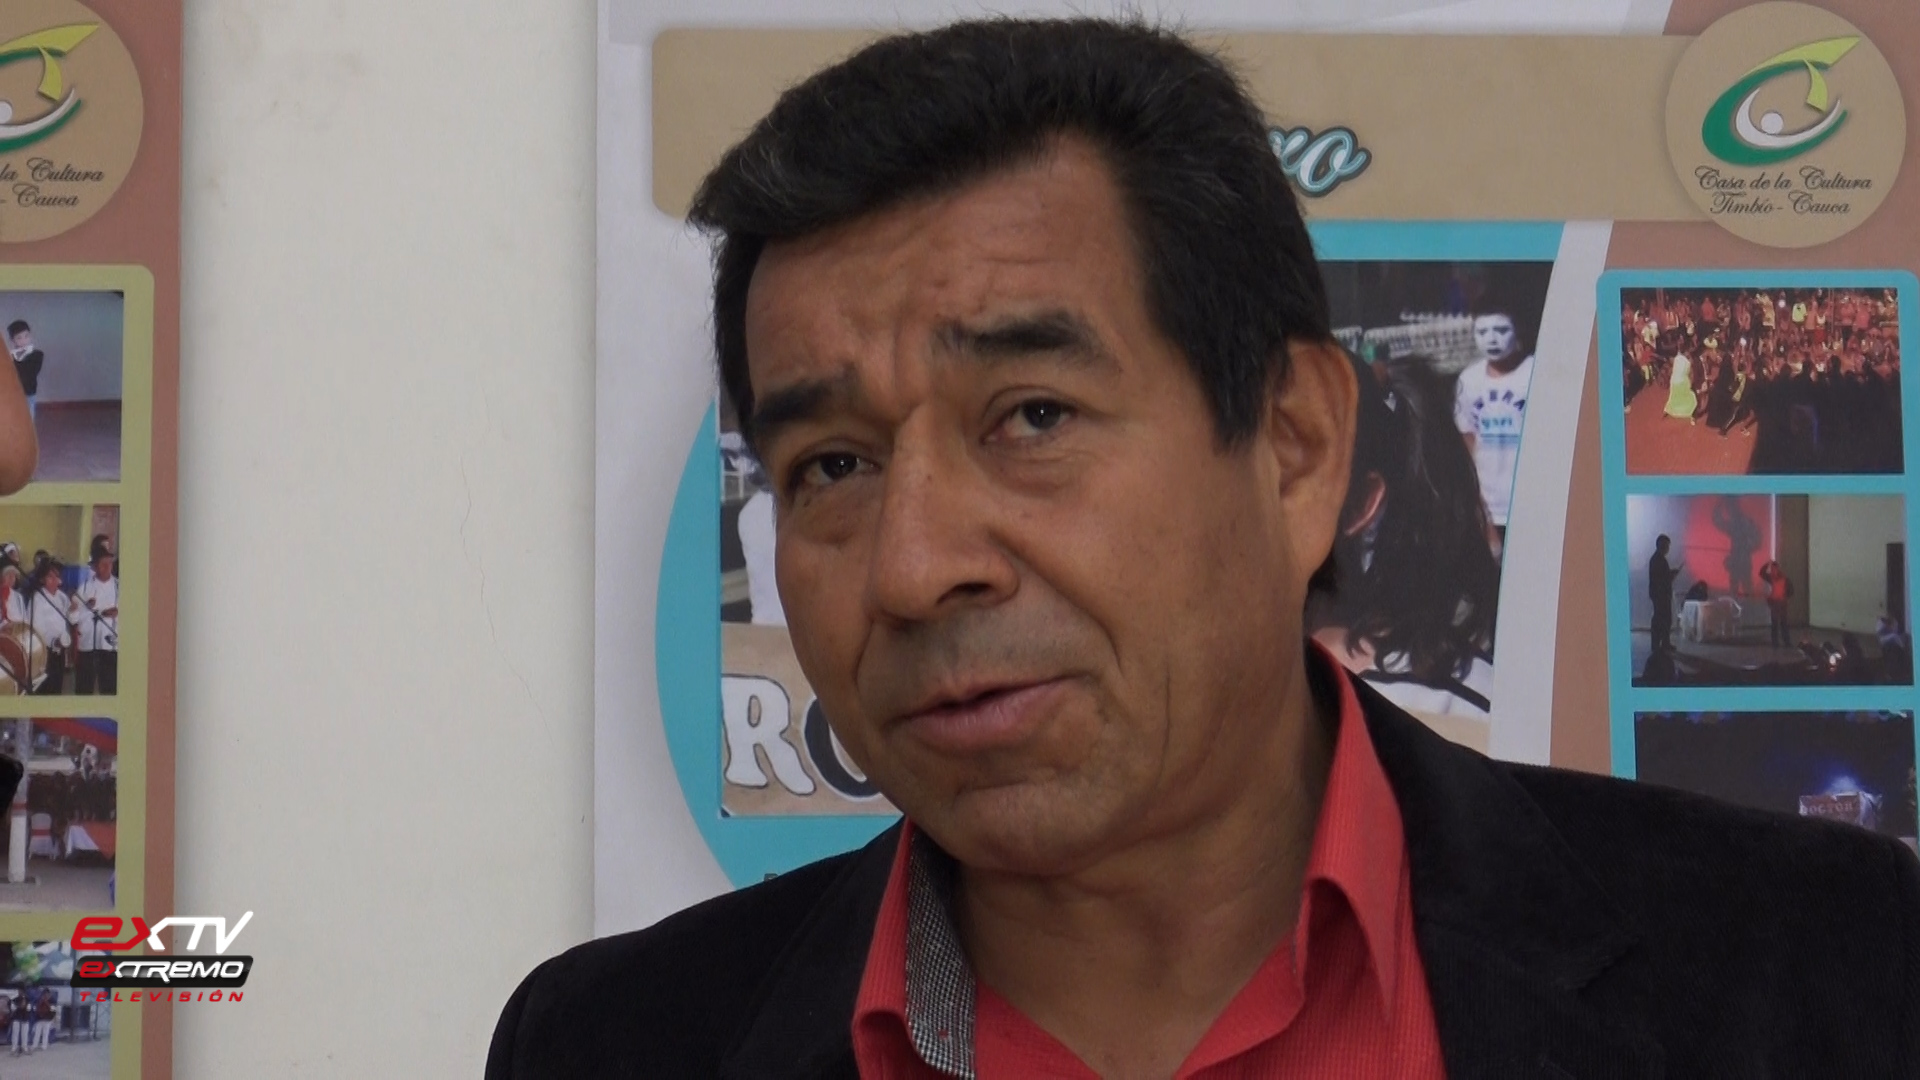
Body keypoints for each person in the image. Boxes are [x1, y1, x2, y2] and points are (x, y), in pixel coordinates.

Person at [490, 20, 1920, 1078]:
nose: (915, 568)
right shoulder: (615, 1045)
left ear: (1295, 446)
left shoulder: (1820, 974)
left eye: (1032, 416)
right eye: (835, 468)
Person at [1451, 301, 1535, 541]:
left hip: (1530, 501)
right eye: (1482, 331)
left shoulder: (1534, 373)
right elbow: (1467, 441)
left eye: (1501, 330)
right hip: (1490, 505)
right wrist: (1478, 502)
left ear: (1517, 329)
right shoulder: (1469, 380)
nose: (1492, 339)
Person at [71, 551, 117, 694]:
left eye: (109, 563)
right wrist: (83, 608)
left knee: (110, 688)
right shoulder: (84, 588)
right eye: (103, 564)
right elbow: (73, 618)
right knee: (84, 688)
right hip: (88, 645)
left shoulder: (119, 587)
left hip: (111, 646)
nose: (107, 567)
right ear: (95, 567)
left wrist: (115, 614)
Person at [25, 561, 72, 695]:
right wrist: (53, 641)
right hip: (44, 653)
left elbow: (70, 619)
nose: (54, 579)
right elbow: (35, 629)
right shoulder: (37, 599)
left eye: (57, 576)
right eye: (50, 576)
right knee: (44, 689)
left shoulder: (62, 597)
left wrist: (74, 610)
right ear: (42, 579)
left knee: (57, 687)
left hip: (60, 651)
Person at [1648, 534, 1677, 655]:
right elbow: (1660, 579)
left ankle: (1664, 643)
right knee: (1660, 620)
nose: (1668, 548)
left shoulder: (1658, 559)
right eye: (1666, 546)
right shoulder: (1658, 560)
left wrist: (1670, 574)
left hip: (1661, 594)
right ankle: (1657, 645)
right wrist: (1670, 576)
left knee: (1665, 620)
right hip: (1660, 594)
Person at [1760, 560, 1794, 650]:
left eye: (1774, 569)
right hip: (1774, 603)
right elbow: (1762, 573)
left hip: (1782, 603)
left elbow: (1791, 590)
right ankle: (1775, 642)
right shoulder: (1770, 578)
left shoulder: (1784, 579)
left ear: (1778, 569)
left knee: (1784, 623)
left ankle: (1786, 642)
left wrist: (1785, 596)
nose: (1773, 571)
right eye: (1772, 569)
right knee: (1775, 623)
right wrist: (1767, 564)